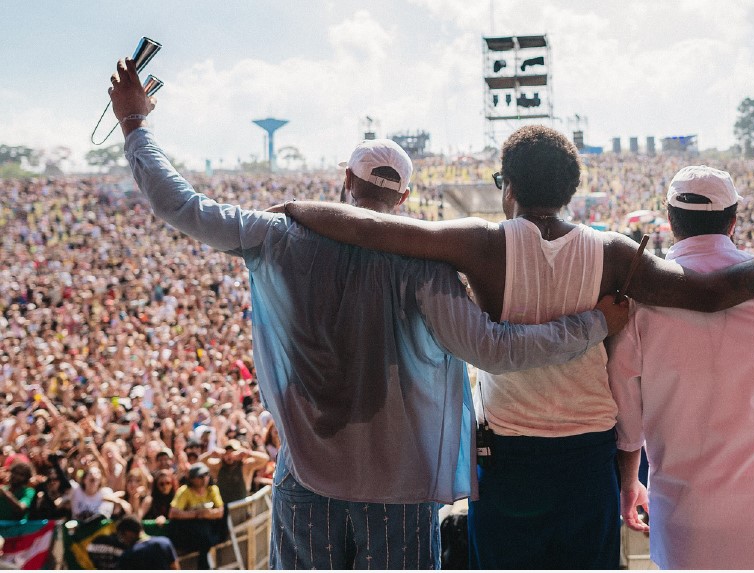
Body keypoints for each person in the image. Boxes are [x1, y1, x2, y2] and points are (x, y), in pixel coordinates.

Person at [108, 58, 628, 570]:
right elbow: (494, 350)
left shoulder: (277, 235)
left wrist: (134, 124)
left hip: (307, 472)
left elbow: (179, 204)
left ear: (344, 183)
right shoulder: (423, 263)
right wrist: (594, 323)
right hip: (399, 487)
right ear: (404, 196)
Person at [277, 127, 754, 567]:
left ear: (507, 186)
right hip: (588, 456)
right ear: (572, 190)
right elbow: (712, 293)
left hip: (509, 455)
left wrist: (297, 210)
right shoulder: (615, 253)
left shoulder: (481, 244)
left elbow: (377, 230)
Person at [607, 165, 754, 569]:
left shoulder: (637, 308)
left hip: (686, 522)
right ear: (733, 221)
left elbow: (628, 428)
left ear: (669, 220)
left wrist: (629, 486)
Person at [167, 463, 225, 569]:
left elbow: (220, 511)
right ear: (192, 479)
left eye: (206, 475)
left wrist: (208, 514)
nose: (204, 479)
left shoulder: (212, 489)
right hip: (190, 531)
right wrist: (196, 514)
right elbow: (173, 513)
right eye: (200, 476)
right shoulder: (184, 491)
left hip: (208, 530)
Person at [199, 439, 269, 505]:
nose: (230, 456)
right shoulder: (218, 466)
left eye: (233, 452)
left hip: (242, 506)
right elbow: (200, 462)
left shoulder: (245, 466)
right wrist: (211, 454)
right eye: (227, 452)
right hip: (224, 507)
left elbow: (265, 459)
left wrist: (248, 453)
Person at [115, 515, 180, 569]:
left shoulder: (127, 556)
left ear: (128, 533)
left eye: (122, 535)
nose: (123, 539)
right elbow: (175, 568)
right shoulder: (165, 542)